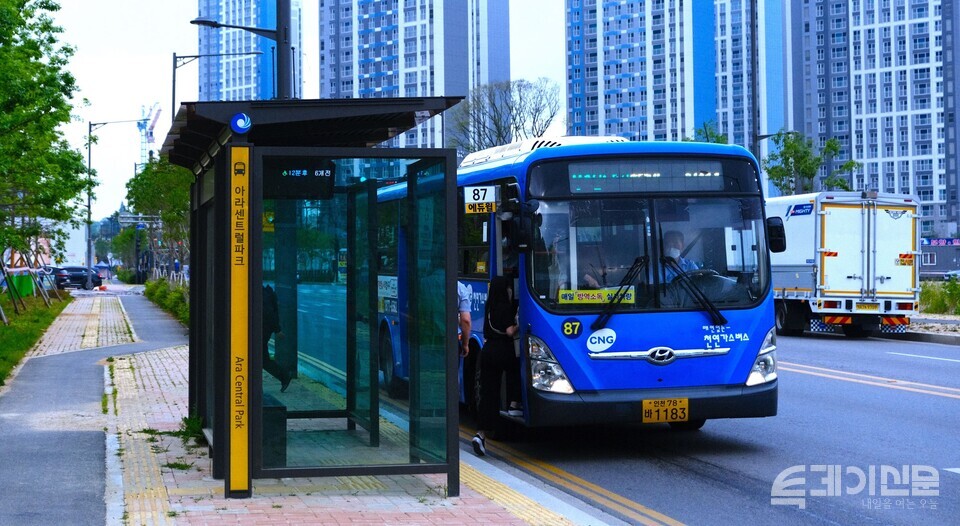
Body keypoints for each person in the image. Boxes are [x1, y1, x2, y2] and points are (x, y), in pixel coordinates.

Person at [472, 276, 520, 457]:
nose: (510, 291)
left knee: (488, 394)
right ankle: (515, 403)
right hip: (503, 350)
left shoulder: (489, 307)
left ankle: (480, 435)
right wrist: (518, 325)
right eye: (508, 288)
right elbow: (509, 331)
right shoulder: (505, 307)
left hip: (488, 351)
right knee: (517, 369)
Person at [262, 284, 292, 392]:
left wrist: (277, 329)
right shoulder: (264, 292)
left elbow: (269, 313)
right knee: (262, 359)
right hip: (263, 330)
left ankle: (284, 376)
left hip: (262, 331)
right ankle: (284, 376)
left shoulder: (261, 294)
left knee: (262, 359)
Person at [457, 281, 472, 357]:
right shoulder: (460, 288)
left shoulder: (423, 283)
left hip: (426, 339)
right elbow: (466, 320)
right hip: (450, 339)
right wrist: (465, 344)